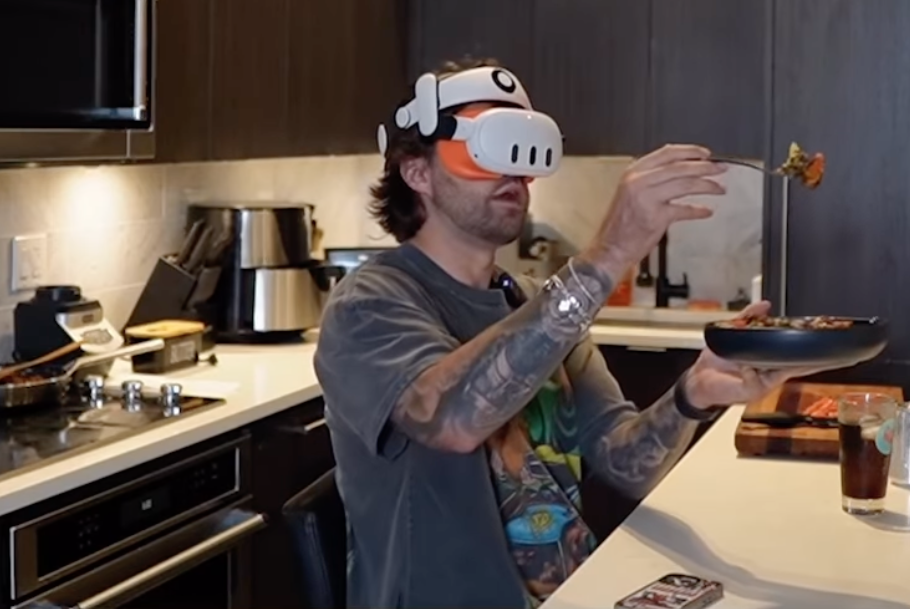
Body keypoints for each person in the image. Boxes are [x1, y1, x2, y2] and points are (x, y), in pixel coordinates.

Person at [315, 61, 823, 609]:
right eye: (490, 149)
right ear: (417, 172)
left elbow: (626, 464)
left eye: (523, 151)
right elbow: (450, 419)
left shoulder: (539, 304)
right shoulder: (370, 305)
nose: (513, 173)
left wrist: (694, 394)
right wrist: (608, 254)